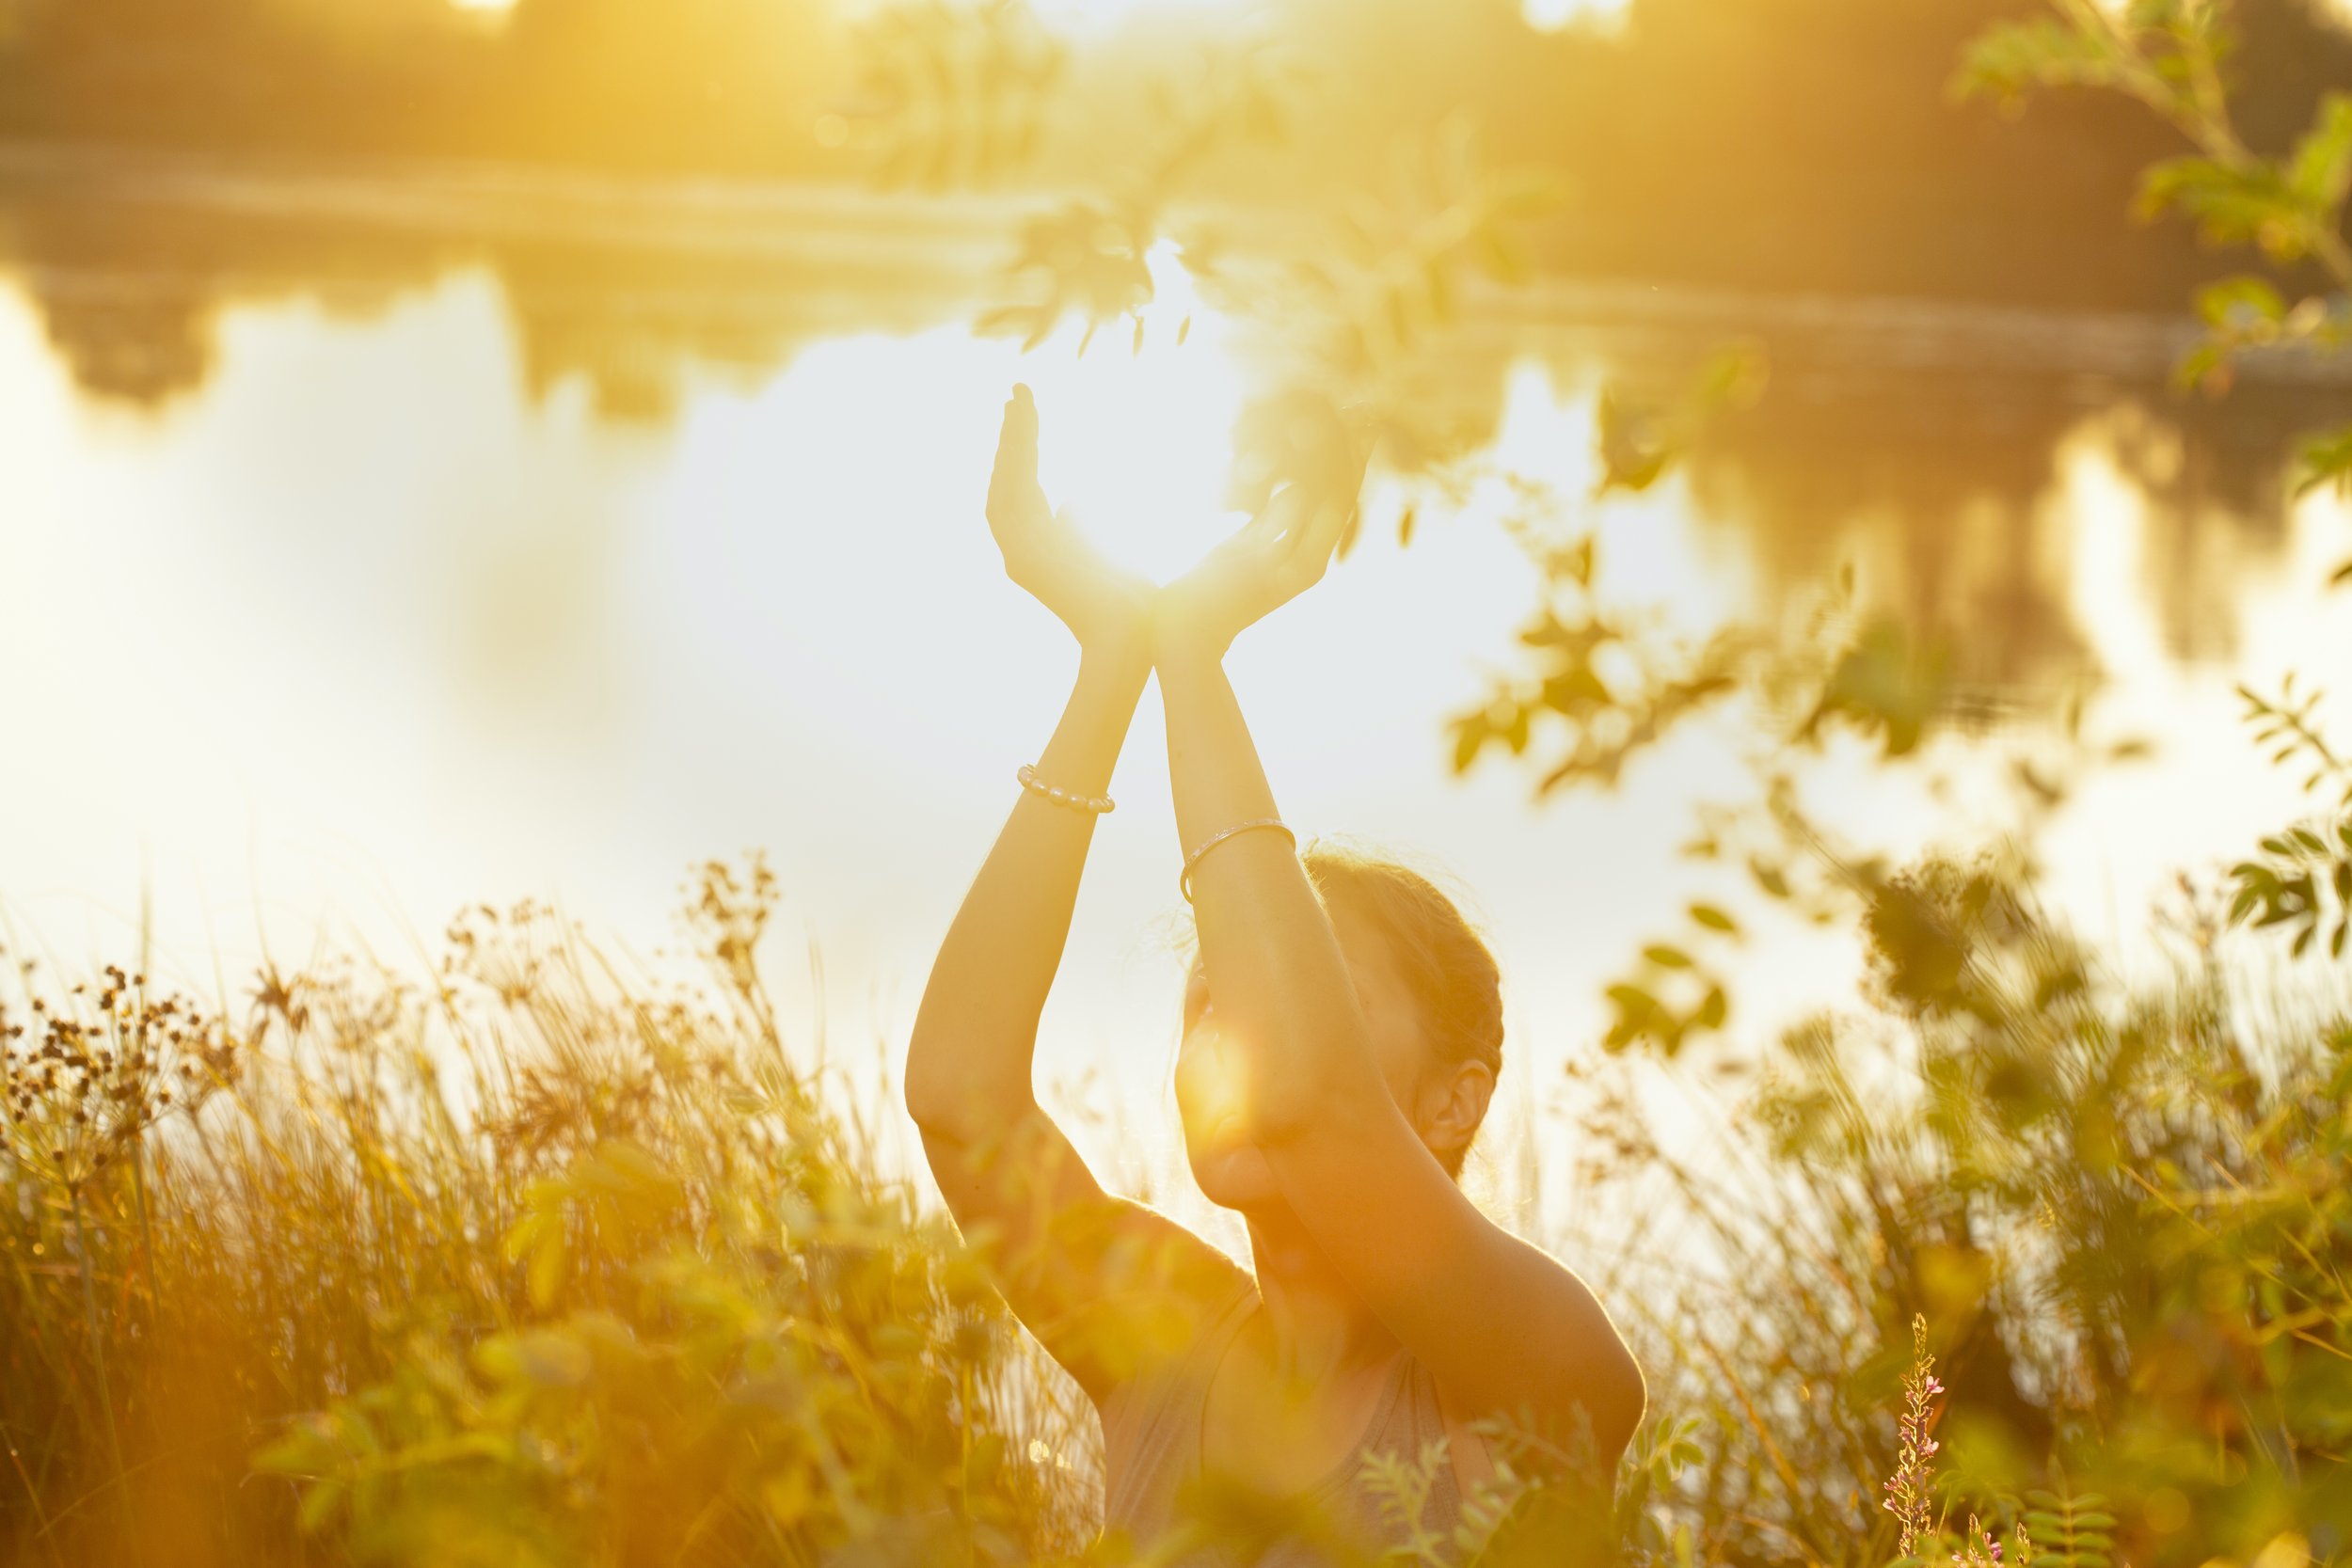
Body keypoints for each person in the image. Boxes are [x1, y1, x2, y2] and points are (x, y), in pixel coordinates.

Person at [904, 385, 1644, 1566]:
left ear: (1455, 1096)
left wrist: (1194, 652)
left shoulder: (1531, 1363)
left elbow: (1311, 1107)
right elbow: (958, 1096)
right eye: (1208, 1003)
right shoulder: (1165, 1338)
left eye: (1310, 1004)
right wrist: (1109, 661)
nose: (1235, 1041)